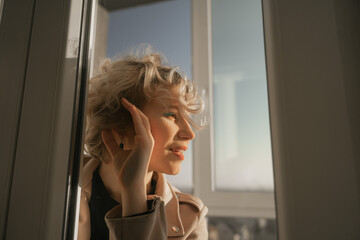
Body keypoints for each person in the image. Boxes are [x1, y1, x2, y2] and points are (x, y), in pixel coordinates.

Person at [77, 48, 208, 240]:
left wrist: (134, 191)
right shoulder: (57, 180)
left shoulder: (191, 219)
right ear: (123, 125)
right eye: (172, 115)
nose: (189, 134)